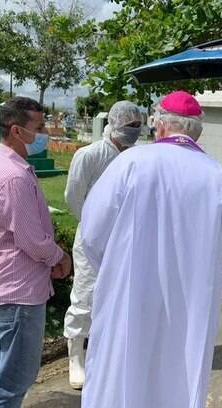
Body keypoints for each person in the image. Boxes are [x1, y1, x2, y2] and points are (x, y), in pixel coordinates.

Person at [79, 91, 222, 407]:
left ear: (158, 127)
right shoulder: (215, 176)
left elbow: (91, 235)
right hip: (187, 309)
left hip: (129, 300)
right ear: (198, 132)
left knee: (122, 378)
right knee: (176, 380)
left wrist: (118, 272)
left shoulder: (129, 164)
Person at [0, 97, 72, 408]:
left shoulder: (8, 166)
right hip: (19, 293)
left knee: (2, 370)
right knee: (15, 378)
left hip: (13, 287)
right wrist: (60, 257)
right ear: (17, 130)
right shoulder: (11, 176)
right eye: (39, 127)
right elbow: (30, 239)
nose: (45, 133)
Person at [63, 100, 143, 389]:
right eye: (130, 125)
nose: (135, 130)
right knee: (85, 295)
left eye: (138, 125)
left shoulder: (137, 156)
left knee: (119, 296)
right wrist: (93, 227)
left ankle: (108, 354)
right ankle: (75, 357)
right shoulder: (90, 154)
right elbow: (74, 196)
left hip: (125, 239)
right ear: (114, 123)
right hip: (92, 239)